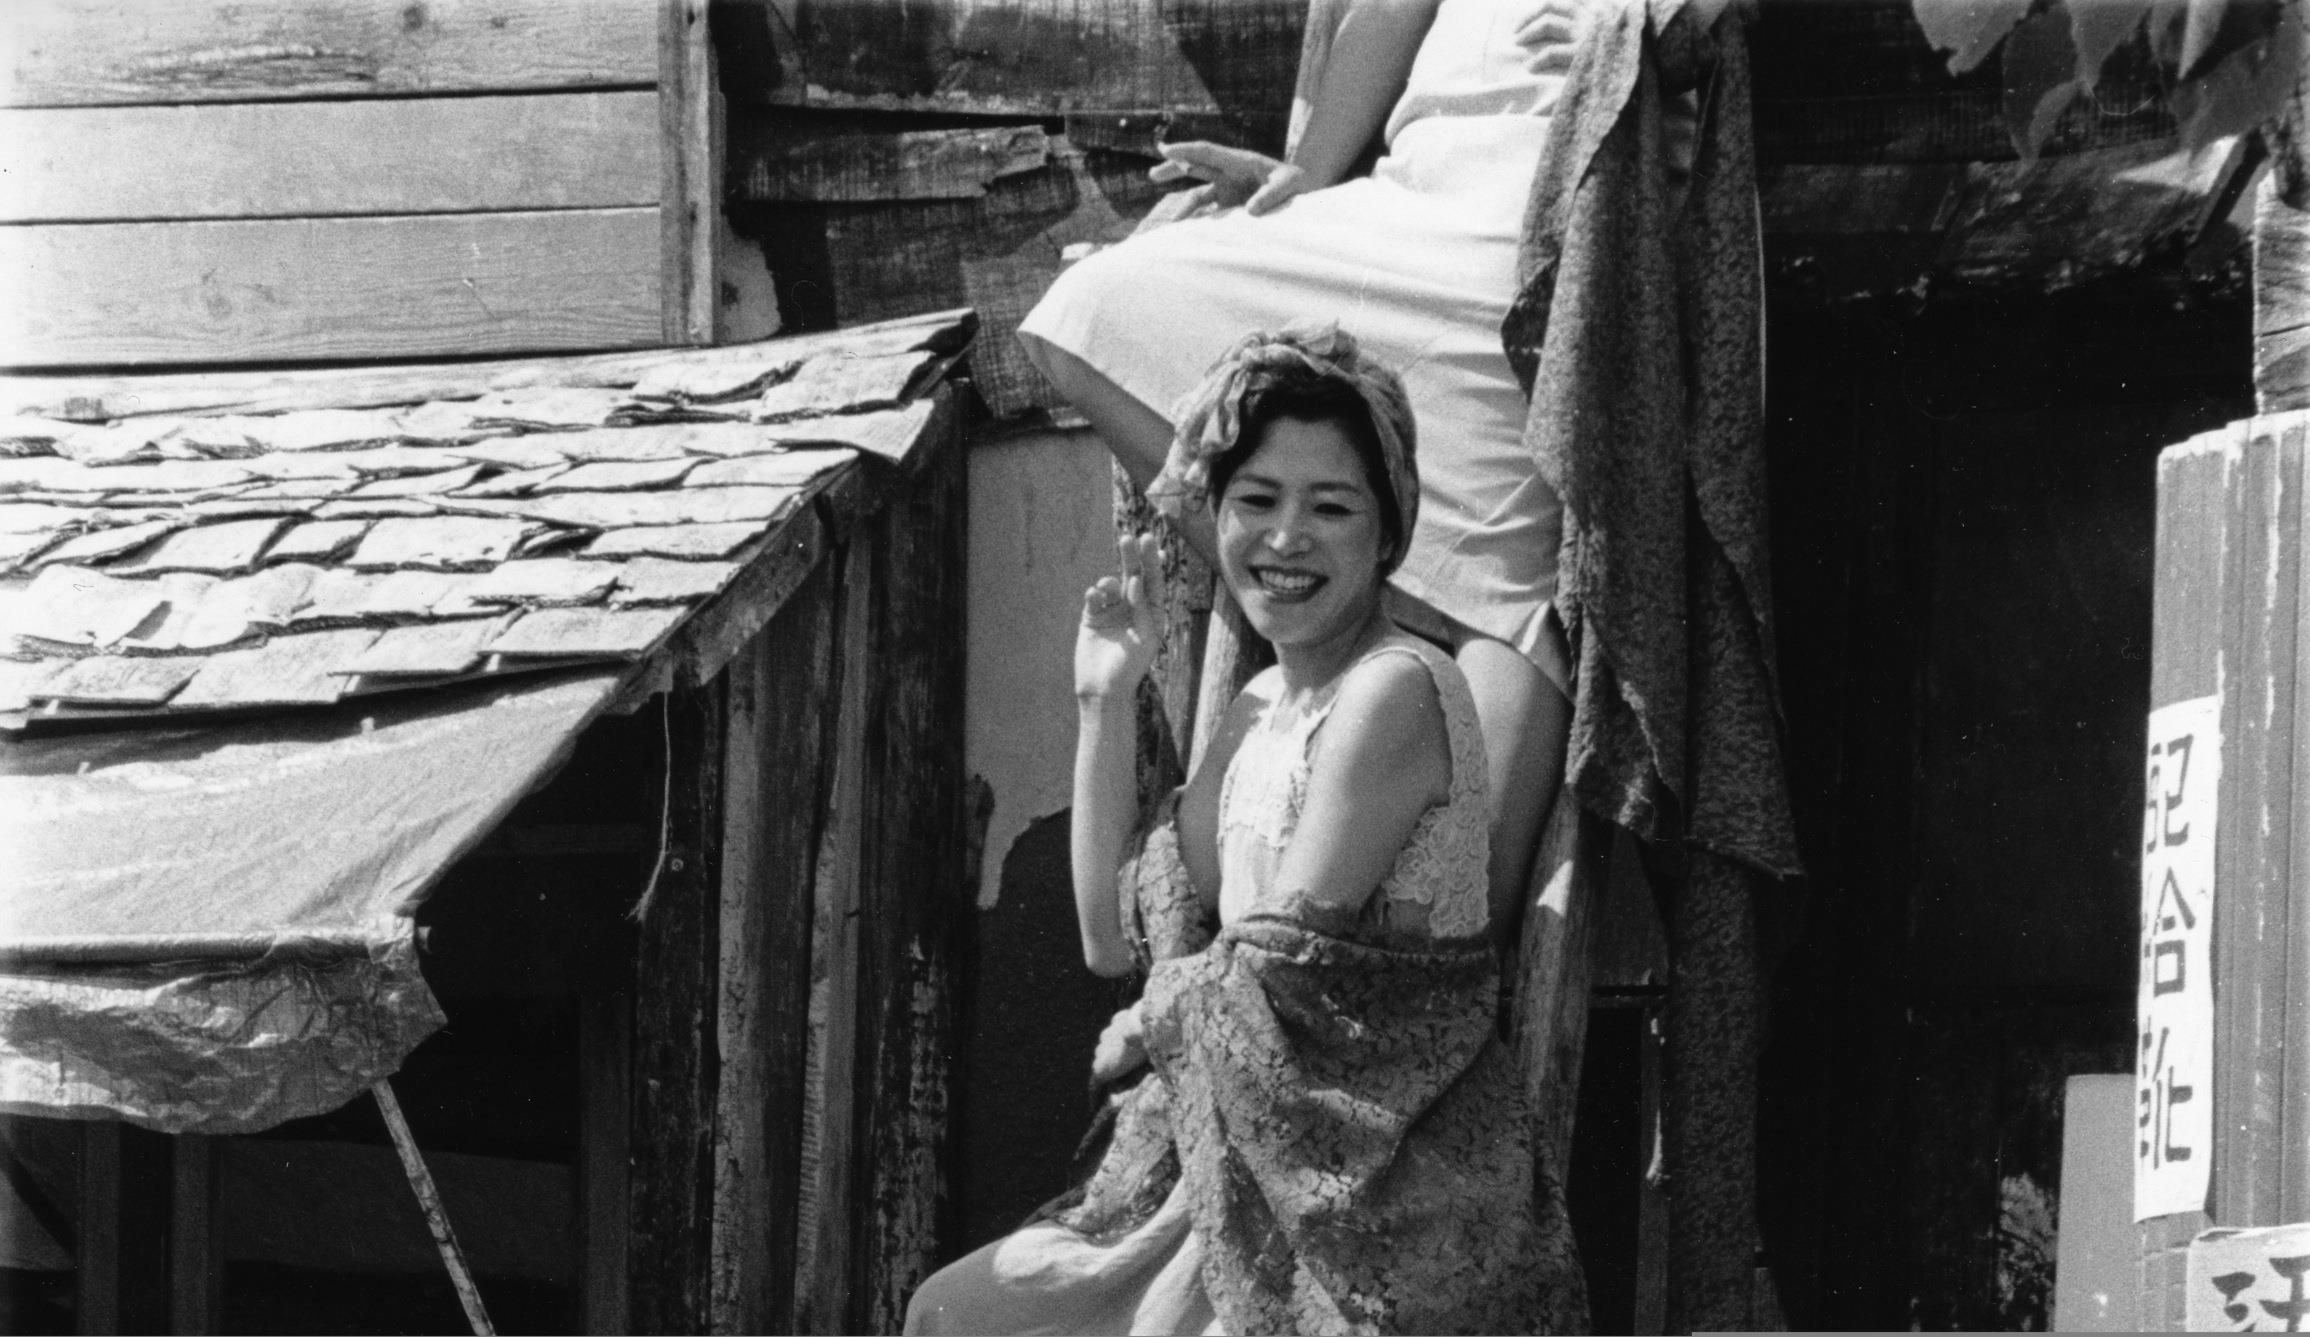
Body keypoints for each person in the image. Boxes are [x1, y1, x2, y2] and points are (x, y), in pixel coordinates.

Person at [904, 328, 1583, 1335]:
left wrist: (1150, 1020)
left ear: (1387, 533)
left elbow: (1281, 961)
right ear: (1217, 516)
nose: (1287, 537)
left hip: (1382, 1182)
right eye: (1256, 500)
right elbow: (1114, 938)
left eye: (1331, 507)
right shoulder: (1258, 708)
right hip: (1240, 1157)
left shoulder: (1397, 688)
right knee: (956, 1313)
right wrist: (1104, 699)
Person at [1019, 0, 1605, 929]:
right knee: (1084, 311)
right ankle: (1345, 604)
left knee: (1452, 919)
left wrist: (1639, 42)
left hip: (1542, 217)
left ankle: (1452, 621)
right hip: (1407, 197)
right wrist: (1308, 177)